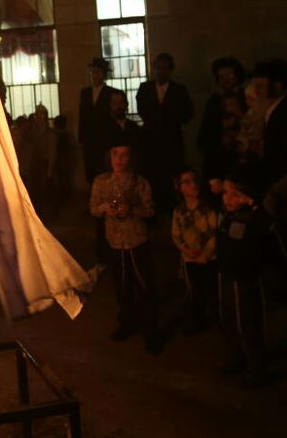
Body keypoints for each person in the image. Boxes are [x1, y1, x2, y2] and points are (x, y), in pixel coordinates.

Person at [89, 137, 161, 352]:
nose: (119, 159)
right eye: (115, 154)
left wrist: (132, 209)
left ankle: (151, 331)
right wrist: (105, 208)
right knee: (121, 287)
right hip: (114, 242)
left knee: (145, 286)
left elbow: (150, 210)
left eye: (124, 155)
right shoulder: (101, 182)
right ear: (109, 157)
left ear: (131, 158)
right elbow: (93, 208)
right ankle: (127, 322)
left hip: (136, 240)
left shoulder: (139, 182)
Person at [216, 162, 274, 387]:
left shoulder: (253, 217)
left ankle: (257, 369)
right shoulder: (226, 213)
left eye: (235, 194)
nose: (229, 198)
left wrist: (252, 203)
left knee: (248, 324)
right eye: (226, 193)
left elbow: (269, 224)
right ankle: (236, 358)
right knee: (228, 319)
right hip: (225, 275)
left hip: (246, 279)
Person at [136, 53, 194, 208]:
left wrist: (170, 120)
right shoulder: (145, 88)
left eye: (165, 68)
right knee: (152, 174)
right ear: (153, 68)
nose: (161, 71)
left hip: (172, 140)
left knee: (172, 173)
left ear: (171, 70)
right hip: (150, 140)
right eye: (158, 68)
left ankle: (171, 207)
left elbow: (188, 113)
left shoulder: (179, 90)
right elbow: (142, 110)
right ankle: (152, 207)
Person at [170, 169, 218, 334]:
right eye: (187, 182)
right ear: (180, 188)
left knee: (211, 291)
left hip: (209, 259)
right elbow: (176, 235)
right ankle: (196, 322)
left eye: (194, 180)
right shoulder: (179, 211)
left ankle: (216, 321)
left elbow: (215, 233)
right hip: (190, 259)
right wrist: (185, 249)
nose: (193, 185)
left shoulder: (208, 209)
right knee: (193, 292)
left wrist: (206, 253)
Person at [197, 56, 246, 176]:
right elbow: (206, 127)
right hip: (217, 156)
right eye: (221, 76)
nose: (225, 80)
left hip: (242, 155)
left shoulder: (246, 97)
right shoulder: (214, 100)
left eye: (229, 76)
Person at [77, 57, 114, 186]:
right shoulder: (85, 92)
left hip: (105, 137)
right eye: (92, 72)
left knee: (105, 168)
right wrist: (81, 137)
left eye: (97, 72)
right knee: (91, 169)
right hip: (89, 138)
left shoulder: (111, 92)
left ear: (103, 74)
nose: (94, 75)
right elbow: (82, 115)